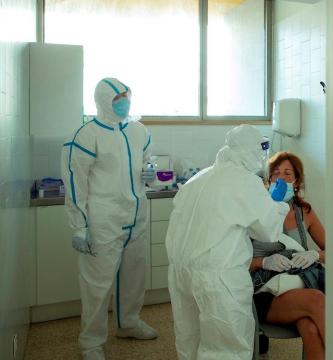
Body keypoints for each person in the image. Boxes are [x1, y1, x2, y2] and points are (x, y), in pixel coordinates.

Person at [165, 124, 290, 360]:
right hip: (218, 276)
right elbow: (269, 231)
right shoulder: (245, 181)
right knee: (226, 348)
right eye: (261, 148)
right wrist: (277, 202)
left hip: (181, 271)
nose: (263, 154)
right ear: (251, 150)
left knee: (190, 340)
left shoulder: (200, 177)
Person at [60, 77, 158, 360]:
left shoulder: (138, 130)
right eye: (118, 98)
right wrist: (79, 225)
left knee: (134, 277)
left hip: (137, 216)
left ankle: (128, 323)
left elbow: (148, 159)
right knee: (97, 284)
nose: (124, 102)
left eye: (127, 96)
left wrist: (150, 170)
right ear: (104, 101)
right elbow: (75, 185)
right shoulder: (85, 136)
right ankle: (90, 342)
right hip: (103, 220)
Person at [252, 151, 326, 360]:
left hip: (298, 287)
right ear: (268, 180)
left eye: (287, 173)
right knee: (317, 299)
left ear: (296, 181)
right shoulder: (255, 214)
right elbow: (233, 261)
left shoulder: (305, 212)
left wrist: (315, 255)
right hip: (263, 295)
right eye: (276, 174)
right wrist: (264, 261)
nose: (282, 178)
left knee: (311, 330)